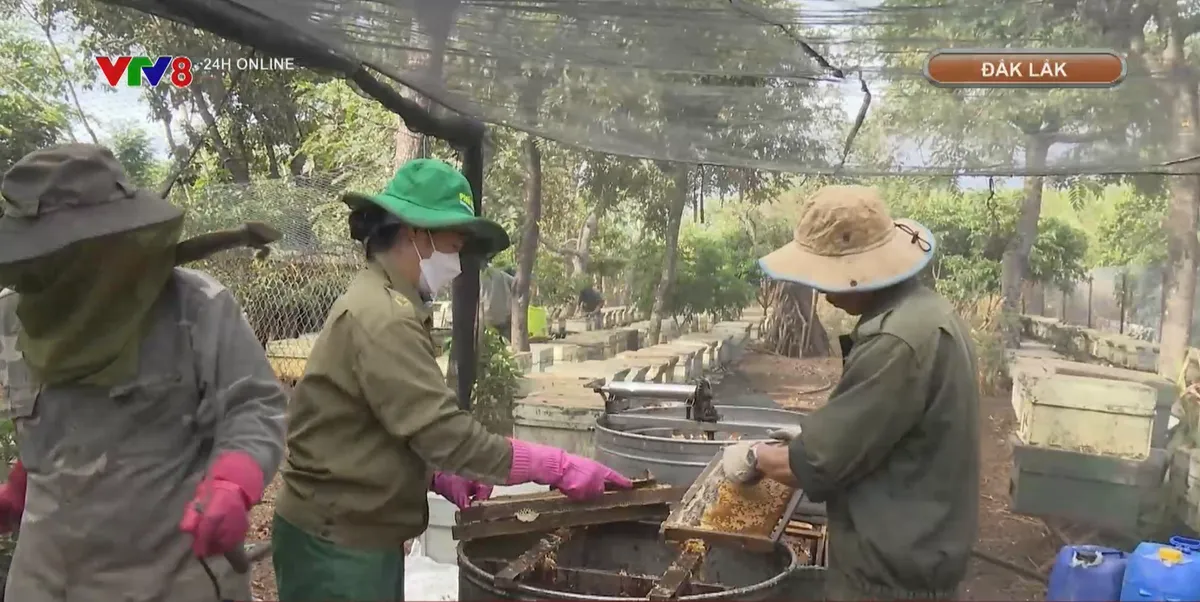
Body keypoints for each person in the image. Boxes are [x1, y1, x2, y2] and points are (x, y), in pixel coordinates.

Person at [272, 158, 633, 602]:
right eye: (452, 246)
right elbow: (445, 432)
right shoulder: (383, 317)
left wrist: (435, 475)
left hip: (355, 531)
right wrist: (553, 466)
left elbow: (379, 422)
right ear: (413, 234)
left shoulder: (389, 303)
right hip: (336, 544)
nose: (457, 264)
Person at [0, 144, 288, 602]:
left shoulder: (195, 306)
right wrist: (20, 486)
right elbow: (61, 425)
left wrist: (233, 483)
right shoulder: (14, 318)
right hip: (47, 580)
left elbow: (253, 406)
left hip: (169, 577)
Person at [722, 185, 980, 601]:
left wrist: (753, 455)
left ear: (859, 271)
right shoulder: (926, 313)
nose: (822, 290)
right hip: (920, 548)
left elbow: (817, 465)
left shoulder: (896, 340)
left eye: (826, 274)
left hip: (888, 577)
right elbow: (882, 427)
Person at [480, 263, 515, 340]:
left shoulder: (479, 277)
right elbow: (516, 283)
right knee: (507, 344)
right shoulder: (501, 274)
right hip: (504, 316)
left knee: (492, 344)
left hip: (487, 318)